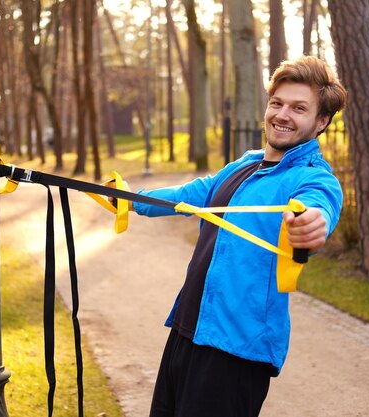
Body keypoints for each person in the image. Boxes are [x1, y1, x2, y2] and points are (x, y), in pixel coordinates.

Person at [114, 55, 347, 417]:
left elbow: (318, 208)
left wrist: (312, 224)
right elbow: (191, 195)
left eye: (298, 108)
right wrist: (128, 200)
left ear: (321, 122)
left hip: (235, 351)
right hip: (187, 331)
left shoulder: (312, 178)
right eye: (277, 103)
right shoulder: (246, 163)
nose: (282, 115)